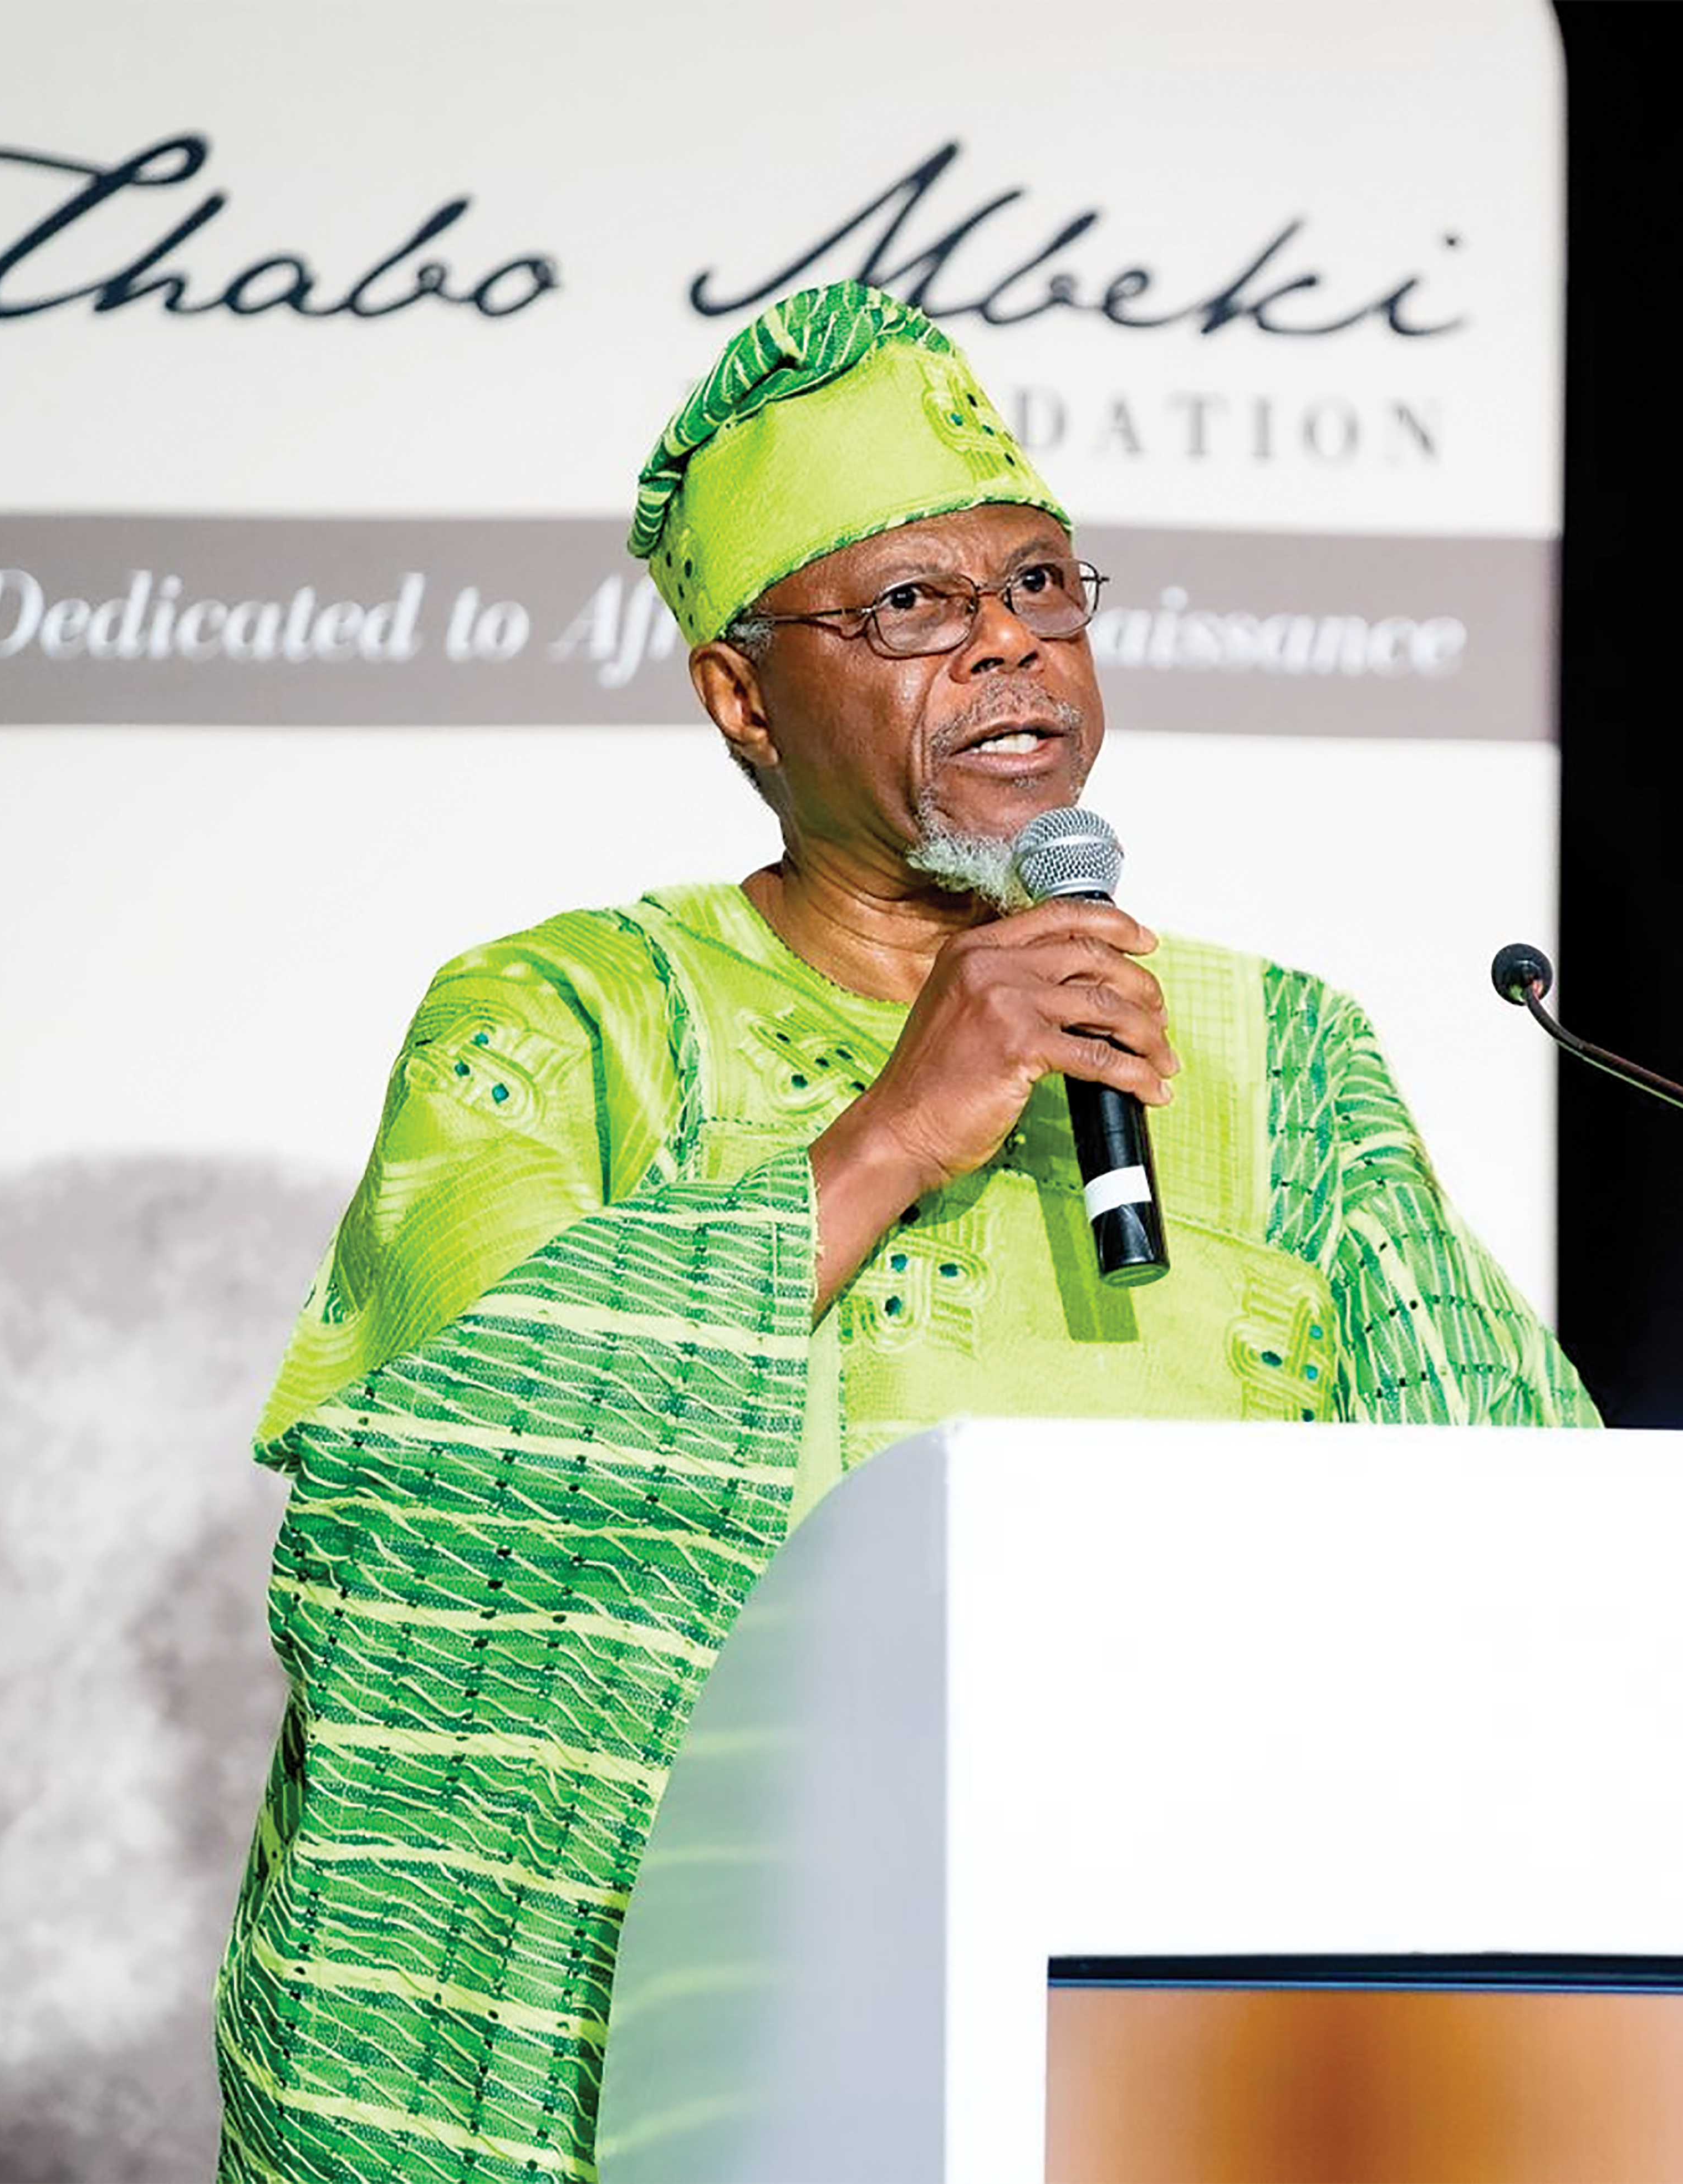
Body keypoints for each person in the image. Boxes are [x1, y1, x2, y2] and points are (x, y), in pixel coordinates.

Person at [211, 280, 1594, 2182]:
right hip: (703, 2025)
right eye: (915, 609)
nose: (1012, 653)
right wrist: (880, 1145)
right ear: (741, 694)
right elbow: (444, 1484)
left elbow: (1533, 1533)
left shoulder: (1279, 1054)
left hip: (1192, 2014)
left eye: (1044, 589)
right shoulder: (562, 1025)